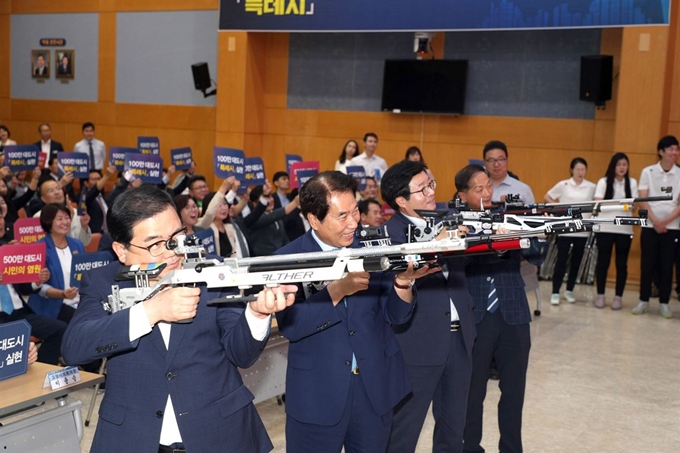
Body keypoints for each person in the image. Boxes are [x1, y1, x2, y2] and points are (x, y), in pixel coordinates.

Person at [61, 185, 297, 453]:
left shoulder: (211, 272)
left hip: (221, 435)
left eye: (176, 237)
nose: (172, 252)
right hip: (133, 438)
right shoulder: (102, 281)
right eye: (155, 245)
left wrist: (256, 314)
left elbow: (240, 353)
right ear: (121, 250)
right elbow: (74, 348)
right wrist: (150, 312)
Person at [274, 170, 436, 453]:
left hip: (374, 388)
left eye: (356, 212)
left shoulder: (374, 248)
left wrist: (404, 281)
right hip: (316, 394)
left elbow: (395, 315)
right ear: (314, 219)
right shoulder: (288, 259)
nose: (354, 223)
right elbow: (292, 326)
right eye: (342, 216)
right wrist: (337, 290)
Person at [381, 161, 476, 453]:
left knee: (452, 428)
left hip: (460, 339)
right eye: (422, 189)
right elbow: (401, 276)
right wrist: (438, 241)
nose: (431, 192)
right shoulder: (389, 234)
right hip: (416, 345)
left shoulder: (447, 218)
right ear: (401, 200)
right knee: (404, 431)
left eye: (431, 183)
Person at [456, 164, 546, 453]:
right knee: (473, 392)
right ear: (463, 194)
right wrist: (484, 241)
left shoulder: (509, 216)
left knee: (514, 392)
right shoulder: (454, 222)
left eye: (489, 186)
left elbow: (538, 256)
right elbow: (457, 265)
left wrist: (523, 234)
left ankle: (511, 448)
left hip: (514, 312)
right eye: (478, 188)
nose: (486, 192)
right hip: (476, 314)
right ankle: (470, 448)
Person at [633, 136, 680, 318]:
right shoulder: (648, 172)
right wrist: (655, 221)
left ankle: (664, 303)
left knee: (667, 266)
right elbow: (642, 199)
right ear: (661, 151)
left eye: (676, 149)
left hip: (672, 227)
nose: (674, 153)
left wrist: (665, 222)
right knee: (647, 264)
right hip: (649, 226)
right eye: (671, 149)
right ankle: (643, 300)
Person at [545, 157, 596, 305]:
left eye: (583, 169)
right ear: (571, 170)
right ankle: (555, 291)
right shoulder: (564, 184)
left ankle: (569, 290)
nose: (581, 172)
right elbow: (547, 196)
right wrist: (559, 211)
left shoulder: (591, 187)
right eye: (578, 169)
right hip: (565, 229)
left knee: (576, 262)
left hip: (582, 229)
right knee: (561, 260)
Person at [593, 153, 638, 310]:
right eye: (619, 164)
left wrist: (615, 204)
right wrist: (622, 204)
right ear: (613, 166)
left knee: (621, 264)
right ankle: (600, 295)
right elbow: (599, 204)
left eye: (624, 164)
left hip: (624, 229)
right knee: (603, 262)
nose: (622, 168)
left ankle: (618, 297)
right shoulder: (603, 182)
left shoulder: (631, 182)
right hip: (605, 227)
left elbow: (633, 206)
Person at [27, 203, 85, 323]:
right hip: (53, 304)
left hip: (78, 300)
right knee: (82, 321)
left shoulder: (77, 244)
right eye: (59, 219)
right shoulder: (39, 248)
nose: (65, 222)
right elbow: (41, 288)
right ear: (48, 222)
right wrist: (63, 294)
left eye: (67, 218)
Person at [32, 179, 92, 246]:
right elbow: (45, 244)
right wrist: (70, 218)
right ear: (43, 198)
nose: (57, 192)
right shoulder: (39, 217)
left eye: (58, 188)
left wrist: (84, 226)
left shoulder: (75, 212)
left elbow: (85, 243)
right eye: (51, 190)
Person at [81, 166, 117, 234]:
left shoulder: (102, 197)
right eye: (94, 179)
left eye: (99, 179)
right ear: (86, 183)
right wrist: (107, 176)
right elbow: (94, 192)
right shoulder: (84, 198)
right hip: (96, 235)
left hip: (110, 233)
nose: (98, 181)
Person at [272, 171, 306, 241]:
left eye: (288, 179)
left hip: (294, 230)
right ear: (276, 183)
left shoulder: (291, 196)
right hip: (280, 231)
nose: (287, 181)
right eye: (284, 179)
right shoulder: (272, 199)